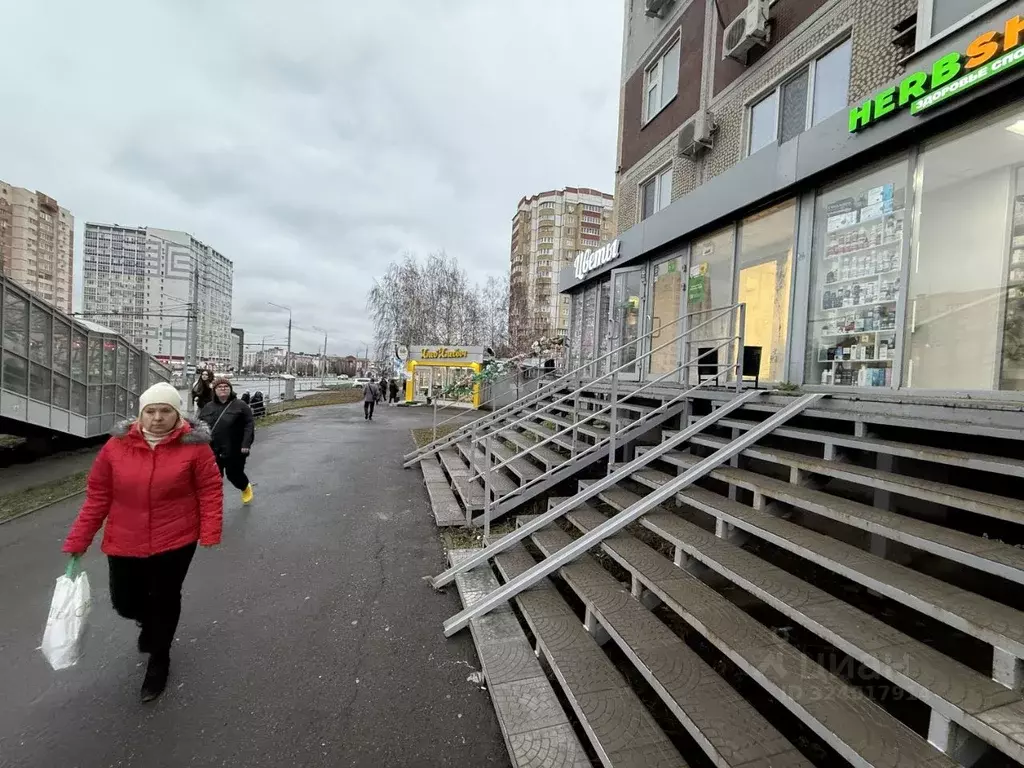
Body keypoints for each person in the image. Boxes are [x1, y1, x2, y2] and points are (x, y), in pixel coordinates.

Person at [62, 382, 223, 703]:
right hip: (124, 538)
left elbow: (210, 489)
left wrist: (211, 530)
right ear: (140, 414)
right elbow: (98, 495)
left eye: (166, 411)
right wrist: (80, 538)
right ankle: (148, 622)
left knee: (164, 597)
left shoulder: (195, 448)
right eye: (151, 411)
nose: (158, 418)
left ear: (178, 414)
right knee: (124, 601)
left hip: (176, 538)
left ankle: (159, 658)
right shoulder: (115, 447)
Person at [198, 378, 255, 505]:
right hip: (213, 449)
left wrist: (246, 443)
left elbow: (249, 425)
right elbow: (200, 426)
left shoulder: (240, 405)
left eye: (226, 386)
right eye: (219, 387)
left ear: (230, 389)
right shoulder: (208, 407)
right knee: (214, 477)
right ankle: (214, 502)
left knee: (234, 474)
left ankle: (245, 487)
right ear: (214, 390)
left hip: (235, 449)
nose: (223, 388)